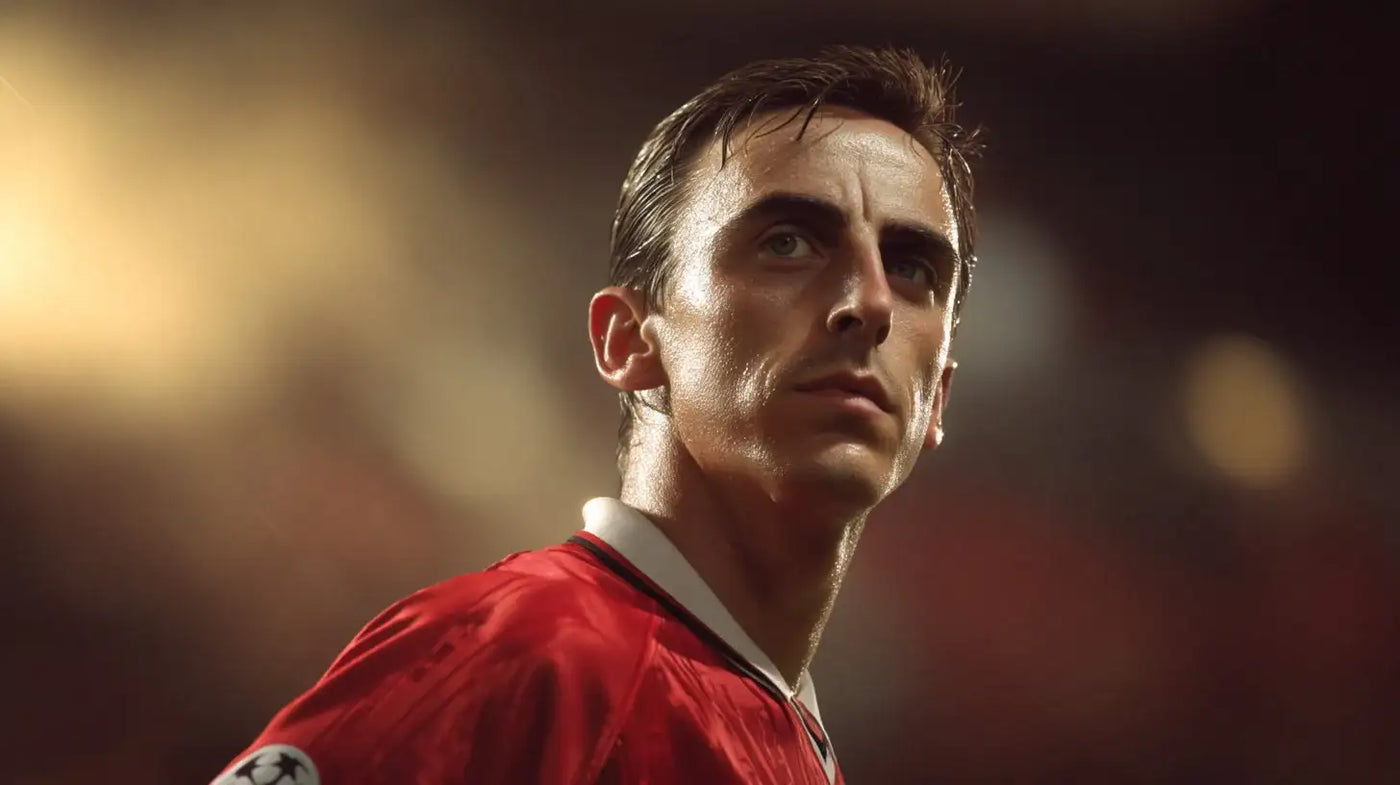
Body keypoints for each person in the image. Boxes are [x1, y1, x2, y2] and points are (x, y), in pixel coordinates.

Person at [212, 44, 979, 785]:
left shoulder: (790, 738)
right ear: (628, 340)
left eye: (911, 267)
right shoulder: (523, 649)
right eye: (787, 242)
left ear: (936, 396)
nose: (870, 302)